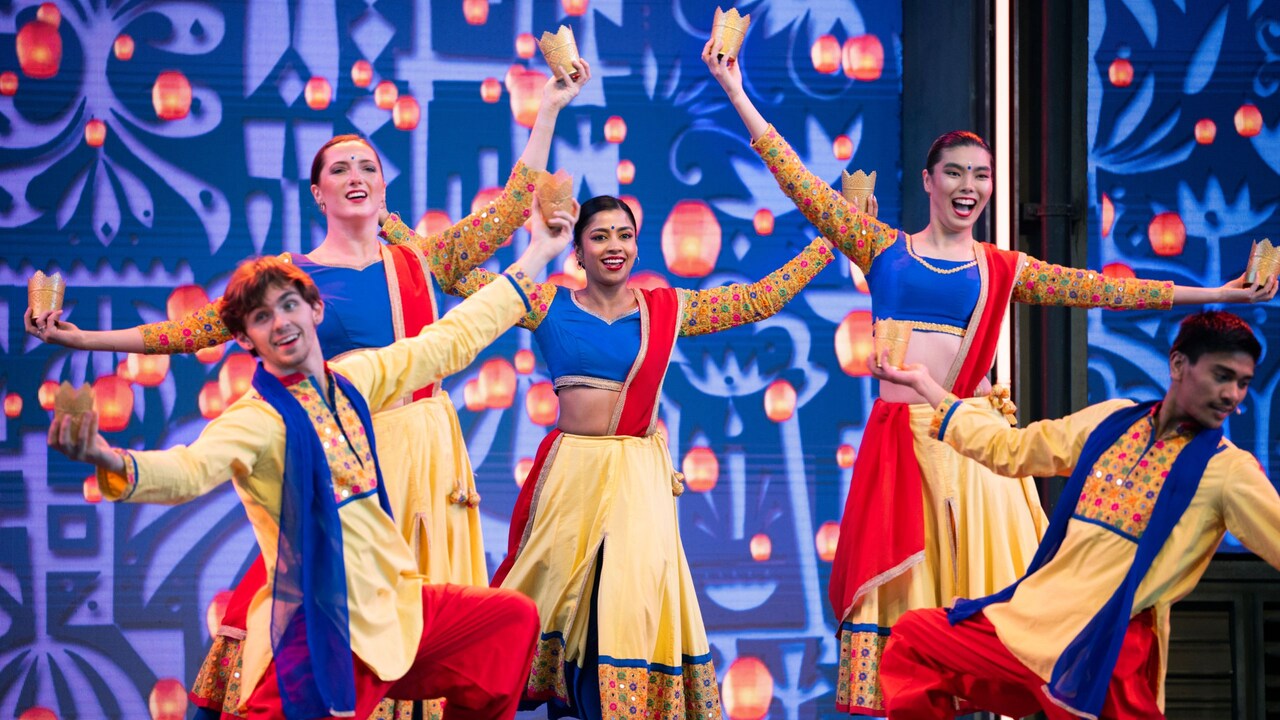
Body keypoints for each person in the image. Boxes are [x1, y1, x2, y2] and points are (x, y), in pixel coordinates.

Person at [701, 38, 1279, 714]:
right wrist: (738, 91)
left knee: (997, 626)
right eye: (954, 173)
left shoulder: (1001, 268)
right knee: (915, 634)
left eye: (980, 175)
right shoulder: (883, 249)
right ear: (927, 180)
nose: (968, 187)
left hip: (974, 448)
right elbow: (797, 183)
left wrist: (1221, 293)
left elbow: (1104, 290)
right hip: (903, 449)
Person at [27, 61, 590, 719]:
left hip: (416, 494)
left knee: (500, 624)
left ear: (314, 312)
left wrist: (540, 234)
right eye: (339, 170)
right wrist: (101, 423)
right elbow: (187, 459)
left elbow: (456, 334)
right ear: (316, 193)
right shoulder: (265, 401)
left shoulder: (381, 321)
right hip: (335, 563)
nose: (281, 321)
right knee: (314, 670)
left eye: (367, 167)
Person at [386, 194, 831, 720]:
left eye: (623, 235)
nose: (613, 246)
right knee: (558, 611)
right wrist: (388, 228)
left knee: (624, 610)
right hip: (570, 483)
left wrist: (829, 243)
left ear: (637, 247)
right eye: (599, 236)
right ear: (576, 251)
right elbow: (455, 276)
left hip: (637, 488)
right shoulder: (546, 303)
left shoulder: (667, 309)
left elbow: (758, 300)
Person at [865, 310, 1280, 719]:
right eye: (1222, 376)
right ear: (1177, 364)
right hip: (1030, 623)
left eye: (1243, 383)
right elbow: (1010, 449)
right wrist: (926, 386)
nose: (1233, 395)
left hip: (1104, 650)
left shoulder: (1229, 472)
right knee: (914, 640)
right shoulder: (1112, 423)